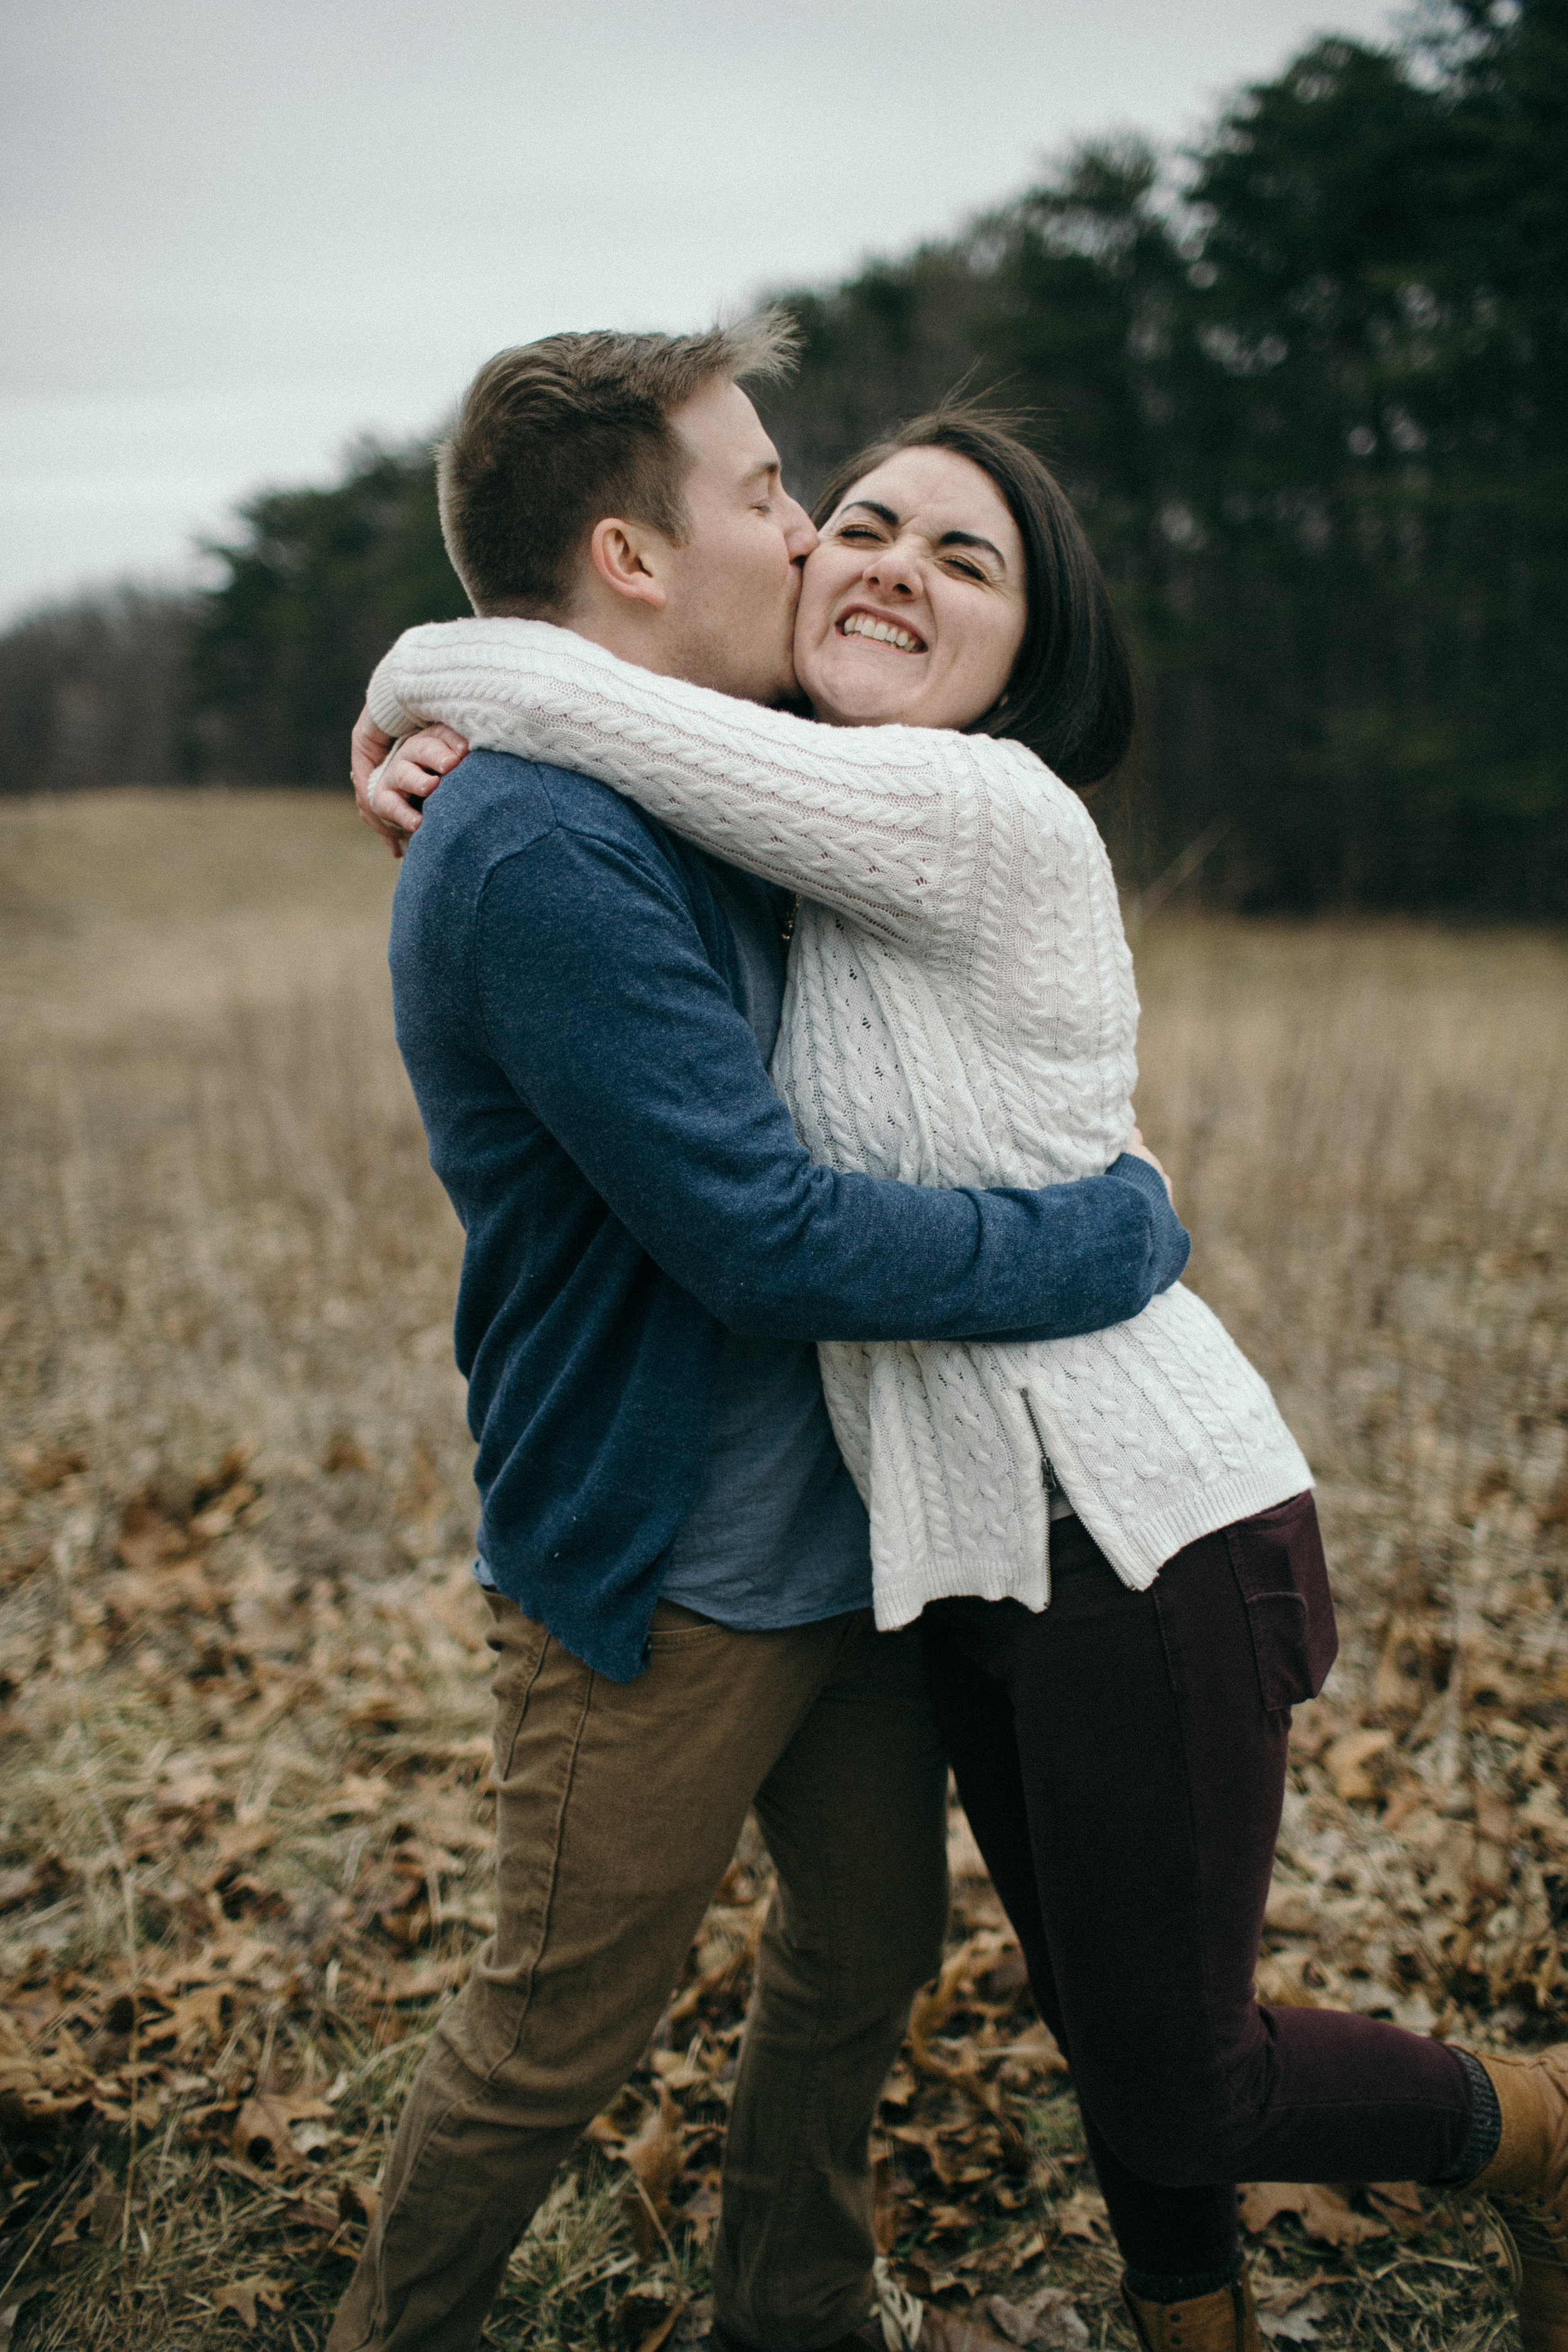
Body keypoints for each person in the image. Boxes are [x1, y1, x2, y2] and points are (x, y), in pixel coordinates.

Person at [365, 379, 1568, 2352]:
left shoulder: (961, 799)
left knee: (1141, 2050)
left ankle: (1524, 2132)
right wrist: (428, 735)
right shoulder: (718, 795)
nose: (858, 557)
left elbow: (580, 702)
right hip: (900, 1540)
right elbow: (591, 759)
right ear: (647, 555)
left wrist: (427, 674)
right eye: (826, 511)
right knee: (1084, 2026)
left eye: (964, 557)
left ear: (1029, 640)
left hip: (1119, 1511)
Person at [331, 318, 1194, 2352]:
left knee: (864, 1951)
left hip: (836, 1535)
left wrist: (393, 700)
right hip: (666, 1572)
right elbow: (757, 1236)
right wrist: (1103, 1243)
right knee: (555, 2031)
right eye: (770, 495)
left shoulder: (717, 780)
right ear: (633, 560)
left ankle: (794, 2312)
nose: (808, 538)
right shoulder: (542, 843)